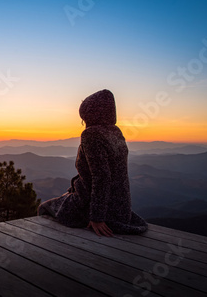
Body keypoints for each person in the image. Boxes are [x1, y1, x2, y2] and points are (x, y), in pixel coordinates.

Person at [38, 89, 147, 236]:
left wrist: (97, 217)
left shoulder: (91, 135)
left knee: (44, 208)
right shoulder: (116, 132)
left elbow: (102, 177)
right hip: (120, 209)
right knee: (63, 199)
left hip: (98, 209)